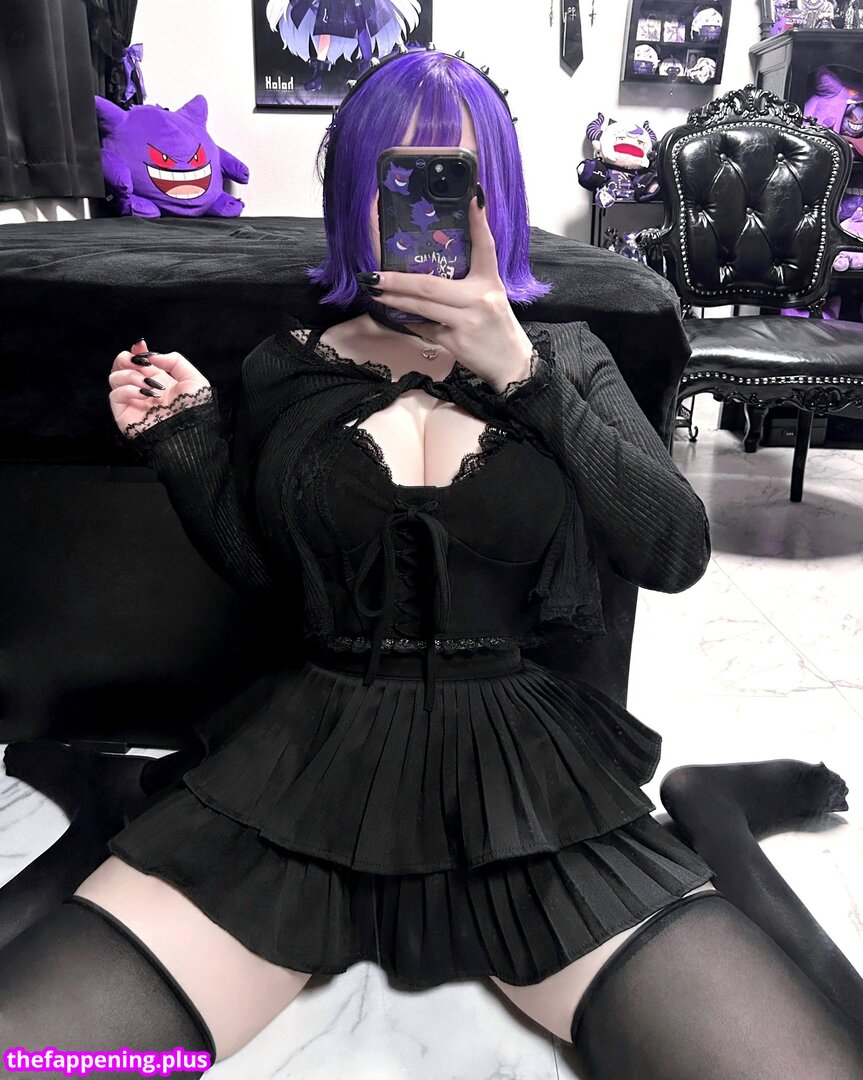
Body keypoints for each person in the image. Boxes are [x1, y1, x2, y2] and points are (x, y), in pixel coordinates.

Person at [0, 46, 861, 1080]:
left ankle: (706, 805)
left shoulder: (569, 356)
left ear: (496, 197)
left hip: (521, 784)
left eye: (454, 178)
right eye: (391, 177)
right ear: (349, 195)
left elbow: (672, 552)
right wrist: (184, 444)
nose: (420, 207)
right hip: (304, 766)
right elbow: (274, 580)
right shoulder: (287, 364)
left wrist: (522, 372)